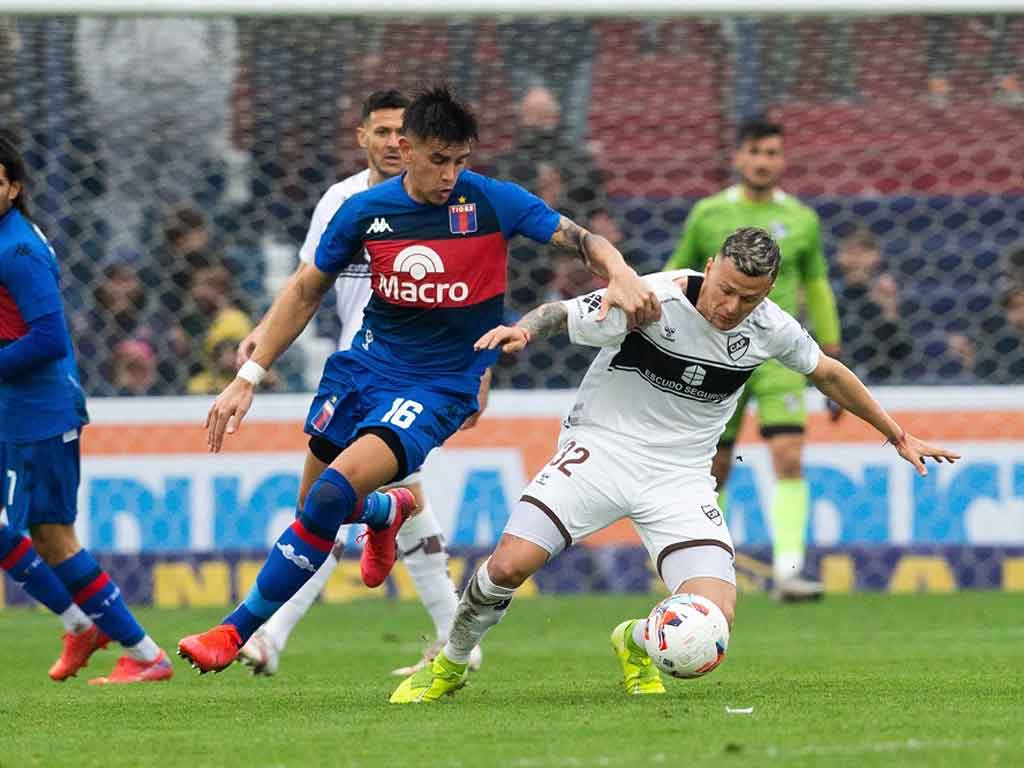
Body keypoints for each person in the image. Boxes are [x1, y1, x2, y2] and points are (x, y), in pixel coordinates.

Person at [176, 86, 660, 674]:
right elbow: (307, 289)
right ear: (407, 149)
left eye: (460, 160)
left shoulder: (492, 202)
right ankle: (386, 511)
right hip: (364, 369)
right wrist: (248, 375)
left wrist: (622, 272)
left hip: (441, 385)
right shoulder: (363, 211)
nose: (451, 174)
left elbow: (583, 239)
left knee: (332, 492)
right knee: (315, 509)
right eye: (438, 160)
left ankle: (234, 632)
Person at [390, 227, 960, 703]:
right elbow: (561, 314)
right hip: (603, 451)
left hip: (681, 477)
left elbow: (829, 373)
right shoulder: (650, 298)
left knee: (716, 618)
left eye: (750, 299)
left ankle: (637, 640)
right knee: (509, 566)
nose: (732, 308)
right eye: (727, 290)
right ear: (708, 267)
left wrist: (897, 434)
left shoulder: (770, 329)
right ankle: (452, 661)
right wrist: (523, 331)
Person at [233, 90, 484, 677]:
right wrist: (263, 338)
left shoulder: (452, 204)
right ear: (363, 137)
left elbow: (471, 293)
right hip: (355, 372)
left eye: (404, 132)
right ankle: (457, 639)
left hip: (414, 376)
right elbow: (306, 281)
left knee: (331, 505)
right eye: (383, 131)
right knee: (372, 505)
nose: (395, 142)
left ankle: (271, 635)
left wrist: (480, 372)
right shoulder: (342, 201)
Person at [0, 135, 173, 684]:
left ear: (14, 186)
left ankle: (145, 654)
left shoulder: (17, 250)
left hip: (41, 413)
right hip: (14, 409)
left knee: (53, 537)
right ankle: (80, 624)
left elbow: (49, 338)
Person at [664, 118, 842, 601]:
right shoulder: (708, 214)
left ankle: (789, 570)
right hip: (715, 350)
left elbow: (818, 285)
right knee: (715, 465)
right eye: (756, 152)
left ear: (783, 160)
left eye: (773, 153)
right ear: (739, 157)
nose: (764, 161)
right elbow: (676, 273)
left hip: (776, 353)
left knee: (789, 454)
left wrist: (831, 345)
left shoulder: (803, 219)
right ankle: (703, 568)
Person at [833, 228, 914, 383]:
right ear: (839, 257)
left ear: (876, 256)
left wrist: (890, 311)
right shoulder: (830, 298)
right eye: (850, 251)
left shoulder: (889, 295)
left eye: (863, 252)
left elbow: (904, 353)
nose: (856, 259)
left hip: (883, 384)